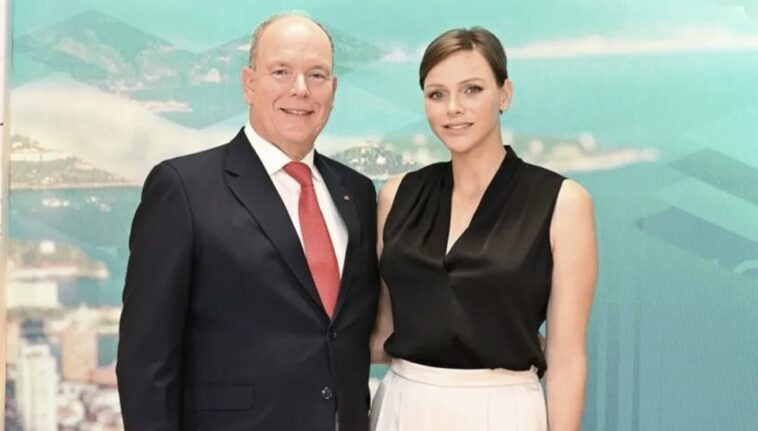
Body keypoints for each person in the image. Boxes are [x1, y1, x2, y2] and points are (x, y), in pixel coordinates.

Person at [117, 13, 379, 431]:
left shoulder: (358, 193)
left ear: (333, 89)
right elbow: (146, 361)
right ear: (249, 83)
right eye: (281, 71)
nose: (300, 89)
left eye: (316, 75)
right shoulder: (183, 188)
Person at [369, 27, 597, 431]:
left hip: (504, 410)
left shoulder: (563, 203)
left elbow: (566, 360)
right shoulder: (396, 196)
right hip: (401, 405)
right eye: (437, 94)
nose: (453, 108)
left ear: (504, 94)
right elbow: (382, 331)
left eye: (472, 90)